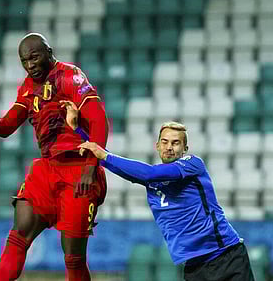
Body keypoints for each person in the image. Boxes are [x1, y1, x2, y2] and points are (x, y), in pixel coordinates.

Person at [0, 33, 109, 281]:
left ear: (49, 51)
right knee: (18, 235)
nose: (30, 65)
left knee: (73, 258)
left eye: (34, 57)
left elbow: (99, 119)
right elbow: (6, 127)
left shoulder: (70, 76)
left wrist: (91, 166)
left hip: (79, 168)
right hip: (47, 169)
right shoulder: (27, 88)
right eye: (24, 61)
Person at [60, 100, 254, 281]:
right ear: (157, 146)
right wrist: (77, 129)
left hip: (226, 255)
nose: (169, 147)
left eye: (176, 143)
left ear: (185, 148)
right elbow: (105, 158)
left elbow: (147, 172)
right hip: (194, 266)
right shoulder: (150, 178)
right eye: (165, 142)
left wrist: (105, 155)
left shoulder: (192, 165)